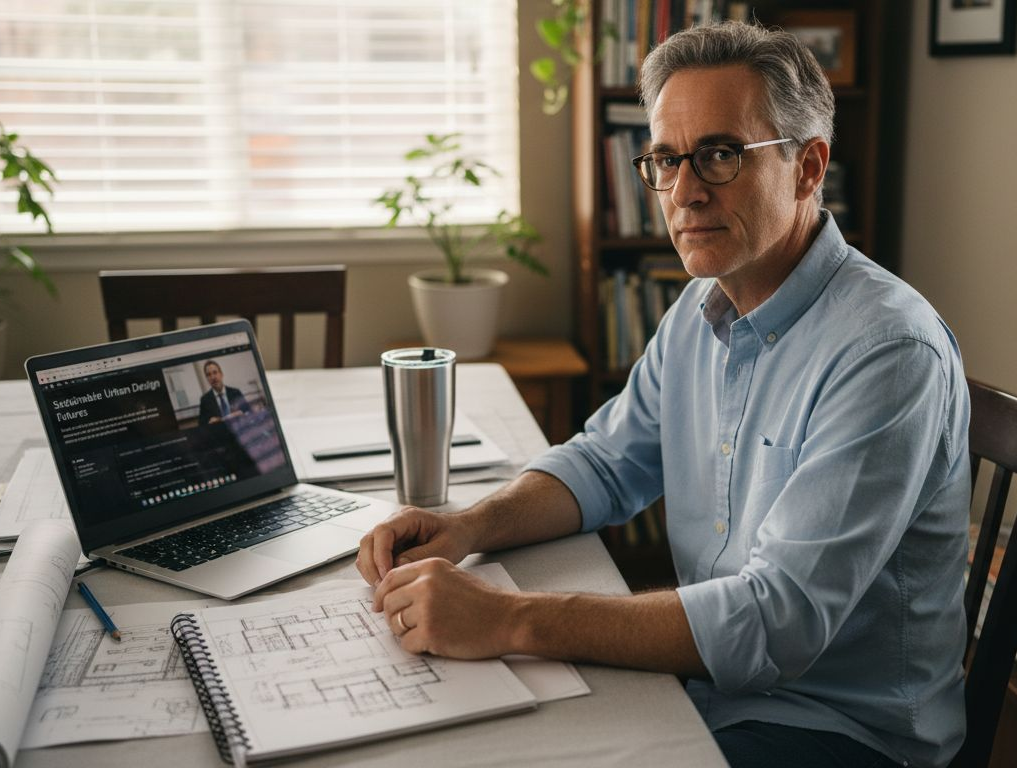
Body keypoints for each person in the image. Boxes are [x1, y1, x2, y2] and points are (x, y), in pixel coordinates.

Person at [358, 21, 970, 768]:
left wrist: (510, 619)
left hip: (839, 732)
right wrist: (469, 527)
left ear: (808, 167)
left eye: (719, 155)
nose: (683, 192)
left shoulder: (887, 352)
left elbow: (778, 623)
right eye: (665, 160)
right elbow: (607, 464)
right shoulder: (702, 303)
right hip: (707, 686)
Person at [197, 359, 249, 425]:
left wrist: (241, 412)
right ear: (207, 378)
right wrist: (209, 422)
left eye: (215, 372)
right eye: (209, 375)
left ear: (221, 374)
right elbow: (201, 424)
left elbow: (248, 410)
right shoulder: (205, 400)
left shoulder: (235, 392)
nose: (213, 377)